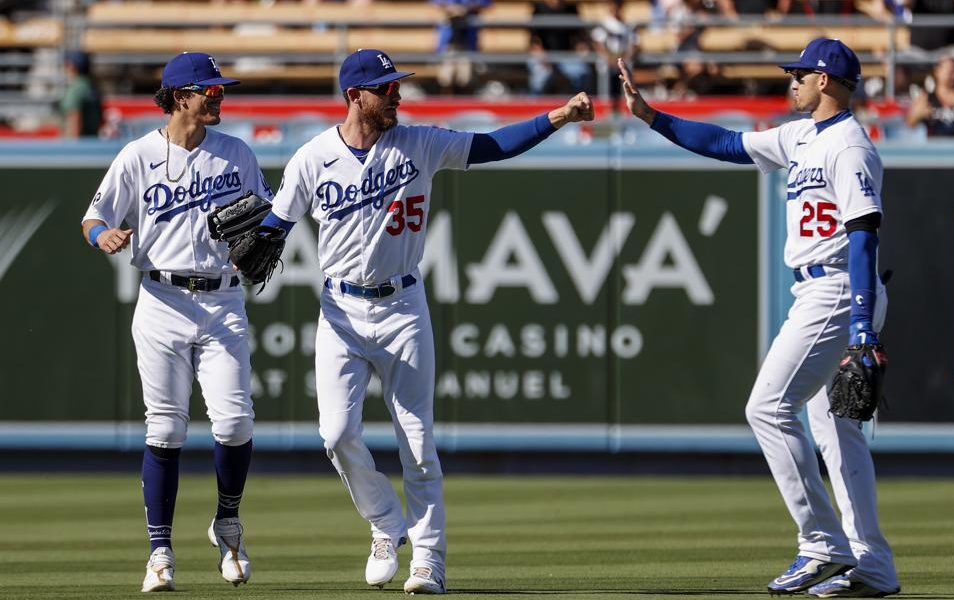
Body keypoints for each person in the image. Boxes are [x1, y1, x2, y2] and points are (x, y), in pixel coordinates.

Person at [260, 48, 593, 595]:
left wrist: (557, 117)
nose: (397, 94)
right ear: (354, 96)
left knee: (417, 441)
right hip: (340, 310)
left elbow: (492, 146)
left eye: (397, 85)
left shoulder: (419, 144)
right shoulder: (311, 158)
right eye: (386, 88)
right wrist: (235, 247)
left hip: (402, 307)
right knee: (336, 434)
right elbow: (273, 225)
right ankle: (386, 523)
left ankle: (429, 560)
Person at [618, 38, 900, 598]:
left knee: (768, 407)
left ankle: (822, 544)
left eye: (800, 74)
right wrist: (651, 117)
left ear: (825, 80)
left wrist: (863, 324)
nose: (791, 81)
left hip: (840, 288)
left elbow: (865, 236)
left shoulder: (849, 146)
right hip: (821, 290)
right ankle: (873, 567)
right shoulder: (798, 135)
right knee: (837, 433)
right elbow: (724, 141)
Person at [80, 52, 272, 593]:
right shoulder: (138, 155)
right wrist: (104, 236)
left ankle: (227, 521)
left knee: (235, 423)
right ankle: (159, 552)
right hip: (161, 299)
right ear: (181, 96)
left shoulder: (235, 154)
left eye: (220, 89)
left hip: (222, 301)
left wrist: (259, 240)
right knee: (164, 427)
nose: (220, 97)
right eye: (210, 90)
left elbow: (265, 219)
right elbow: (93, 217)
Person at [905, 51, 954, 137]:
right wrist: (918, 115)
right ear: (937, 71)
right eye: (949, 70)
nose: (953, 74)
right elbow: (909, 123)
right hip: (937, 147)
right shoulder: (926, 97)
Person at [60, 50, 103, 138]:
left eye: (66, 64)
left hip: (76, 146)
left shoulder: (76, 88)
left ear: (72, 66)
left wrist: (73, 147)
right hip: (92, 141)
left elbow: (74, 116)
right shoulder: (91, 85)